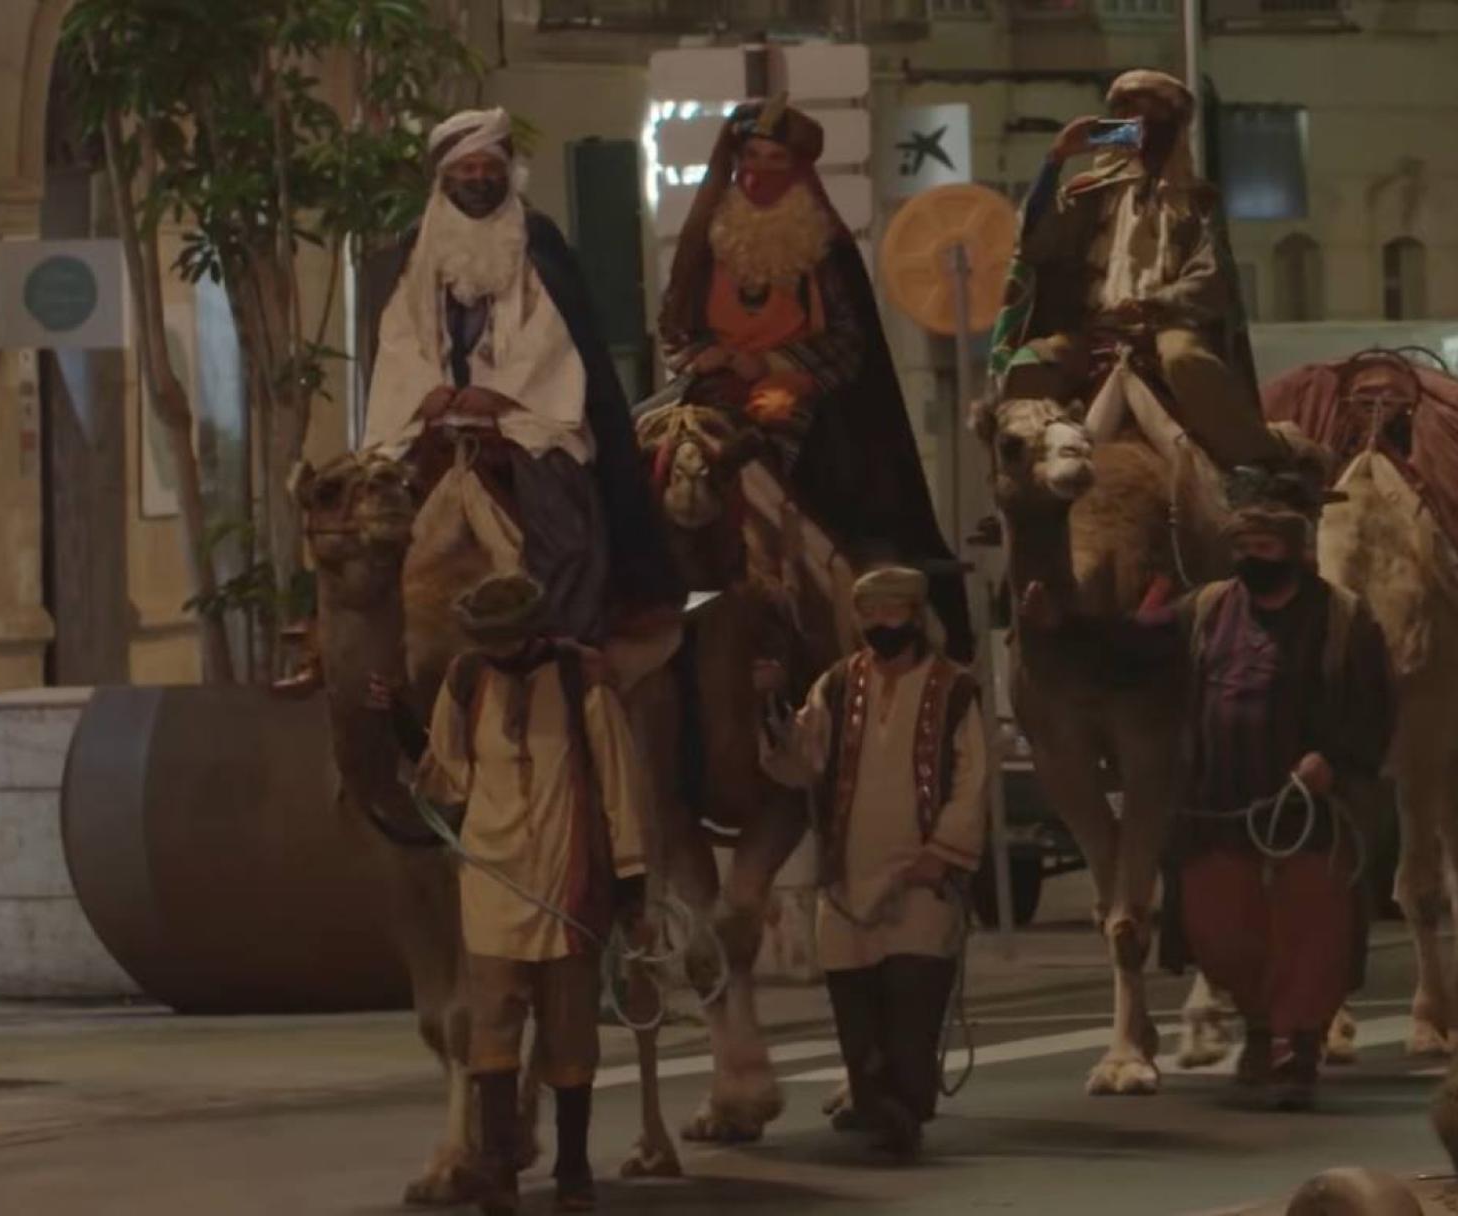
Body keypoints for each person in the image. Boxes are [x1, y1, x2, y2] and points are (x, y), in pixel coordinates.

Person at [1026, 461, 1393, 1109]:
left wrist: (1333, 758)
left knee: (1309, 927)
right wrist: (1063, 626)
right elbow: (1130, 645)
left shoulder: (1345, 620)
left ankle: (1294, 1045)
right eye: (1246, 547)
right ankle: (1259, 1026)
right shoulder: (1205, 608)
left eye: (1267, 547)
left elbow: (1373, 708)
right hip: (1219, 805)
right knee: (1223, 932)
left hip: (1306, 807)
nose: (1255, 557)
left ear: (1297, 548)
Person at [278, 106, 680, 691]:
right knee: (360, 513)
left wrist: (499, 391)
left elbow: (552, 334)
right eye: (464, 168)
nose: (477, 178)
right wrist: (427, 390)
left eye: (487, 166)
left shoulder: (536, 239)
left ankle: (565, 647)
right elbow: (400, 333)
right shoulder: (420, 247)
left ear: (505, 171)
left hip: (521, 412)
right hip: (434, 414)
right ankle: (339, 649)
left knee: (564, 520)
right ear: (445, 177)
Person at [658, 94, 972, 662]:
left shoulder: (825, 251)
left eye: (776, 161)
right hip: (712, 391)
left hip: (799, 396)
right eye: (750, 156)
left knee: (820, 463)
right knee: (648, 448)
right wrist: (712, 356)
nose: (759, 174)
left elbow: (851, 344)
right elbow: (674, 329)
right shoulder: (707, 240)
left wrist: (773, 366)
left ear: (798, 169)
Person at [408, 573, 653, 1214]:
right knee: (491, 1030)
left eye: (508, 638)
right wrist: (393, 739)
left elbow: (618, 781)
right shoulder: (465, 681)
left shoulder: (581, 679)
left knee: (570, 1034)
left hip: (568, 885)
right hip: (492, 882)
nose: (500, 649)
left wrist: (631, 881)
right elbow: (446, 777)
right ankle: (500, 1169)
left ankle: (573, 1168)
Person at [762, 566, 988, 1159]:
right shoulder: (837, 685)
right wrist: (771, 707)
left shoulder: (955, 689)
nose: (882, 626)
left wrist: (940, 856)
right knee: (856, 1014)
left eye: (893, 614)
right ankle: (874, 1104)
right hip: (846, 881)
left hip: (920, 879)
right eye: (871, 615)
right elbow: (801, 761)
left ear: (915, 617)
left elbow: (972, 782)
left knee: (910, 1011)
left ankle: (902, 1113)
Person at [989, 69, 1287, 471]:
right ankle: (1022, 479)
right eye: (1128, 113)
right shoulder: (1086, 195)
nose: (1140, 125)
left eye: (1152, 115)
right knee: (1027, 365)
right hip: (1093, 329)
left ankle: (1258, 464)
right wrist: (1055, 160)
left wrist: (1154, 303)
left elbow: (1211, 278)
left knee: (1185, 360)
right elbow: (1035, 242)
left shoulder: (1198, 202)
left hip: (1165, 326)